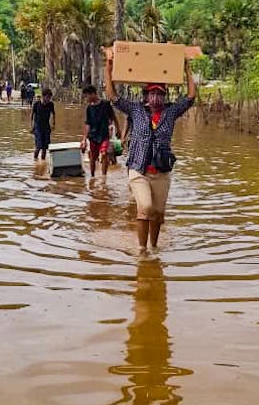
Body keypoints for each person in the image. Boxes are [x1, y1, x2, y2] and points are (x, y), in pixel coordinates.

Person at [104, 50, 196, 255]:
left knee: (158, 214)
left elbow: (190, 97)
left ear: (165, 96)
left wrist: (187, 68)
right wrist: (108, 68)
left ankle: (154, 248)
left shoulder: (171, 112)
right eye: (152, 93)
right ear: (146, 96)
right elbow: (113, 97)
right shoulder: (136, 110)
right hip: (139, 169)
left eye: (160, 94)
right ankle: (141, 249)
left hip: (161, 171)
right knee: (145, 207)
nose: (156, 97)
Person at [80, 85, 117, 178]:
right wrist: (84, 139)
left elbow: (113, 117)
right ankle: (92, 177)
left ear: (93, 94)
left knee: (104, 154)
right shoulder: (89, 108)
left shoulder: (106, 104)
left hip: (104, 135)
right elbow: (87, 124)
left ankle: (104, 177)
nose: (86, 98)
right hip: (93, 136)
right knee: (93, 157)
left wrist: (118, 130)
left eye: (86, 96)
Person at [30, 88, 55, 160]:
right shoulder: (36, 104)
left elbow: (53, 114)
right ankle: (35, 161)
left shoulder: (50, 104)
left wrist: (53, 124)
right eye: (47, 97)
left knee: (45, 148)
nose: (49, 99)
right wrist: (32, 126)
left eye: (50, 98)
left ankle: (42, 162)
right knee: (38, 147)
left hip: (46, 127)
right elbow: (32, 115)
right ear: (43, 96)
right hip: (38, 127)